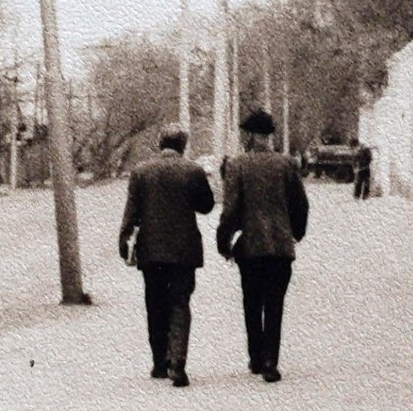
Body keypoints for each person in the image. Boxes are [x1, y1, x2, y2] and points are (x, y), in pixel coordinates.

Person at [218, 108, 309, 383]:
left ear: (250, 136)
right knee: (275, 304)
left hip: (251, 247)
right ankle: (271, 361)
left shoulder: (237, 165)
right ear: (269, 137)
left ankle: (256, 357)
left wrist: (224, 241)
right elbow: (301, 204)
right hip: (281, 247)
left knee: (251, 301)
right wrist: (296, 233)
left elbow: (231, 210)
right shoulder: (288, 164)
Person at [119, 127, 214, 387]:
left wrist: (124, 240)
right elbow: (206, 206)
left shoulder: (141, 172)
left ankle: (160, 363)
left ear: (160, 144)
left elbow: (132, 211)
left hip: (152, 251)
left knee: (155, 304)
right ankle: (178, 364)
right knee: (180, 303)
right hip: (184, 251)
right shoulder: (193, 170)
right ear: (183, 145)